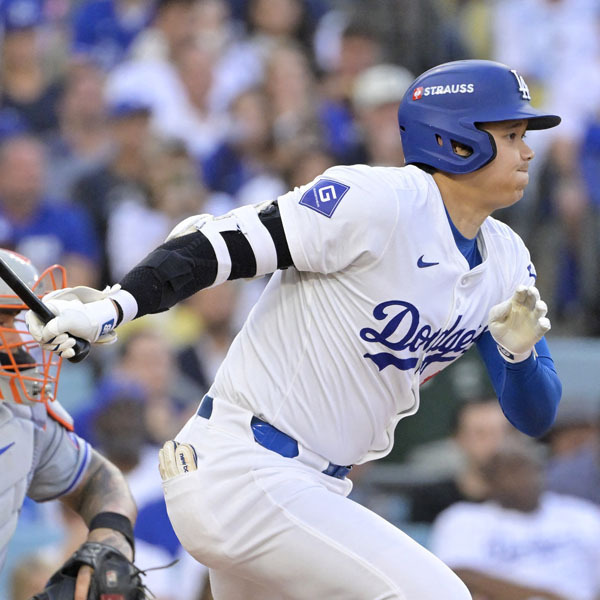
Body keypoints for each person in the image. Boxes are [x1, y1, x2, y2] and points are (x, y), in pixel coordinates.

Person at [27, 60, 563, 599]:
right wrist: (112, 307)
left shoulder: (507, 259)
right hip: (246, 468)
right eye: (512, 134)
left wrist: (518, 357)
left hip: (313, 487)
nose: (528, 151)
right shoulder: (382, 201)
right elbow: (219, 245)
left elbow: (535, 416)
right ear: (458, 142)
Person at [0, 249, 138, 600]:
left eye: (18, 320)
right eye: (3, 321)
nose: (18, 339)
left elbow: (99, 481)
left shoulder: (25, 412)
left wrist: (109, 540)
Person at [430, 439, 600, 600]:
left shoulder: (580, 513)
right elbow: (458, 574)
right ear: (489, 480)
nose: (523, 479)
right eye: (511, 471)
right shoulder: (463, 518)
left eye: (528, 469)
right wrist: (548, 596)